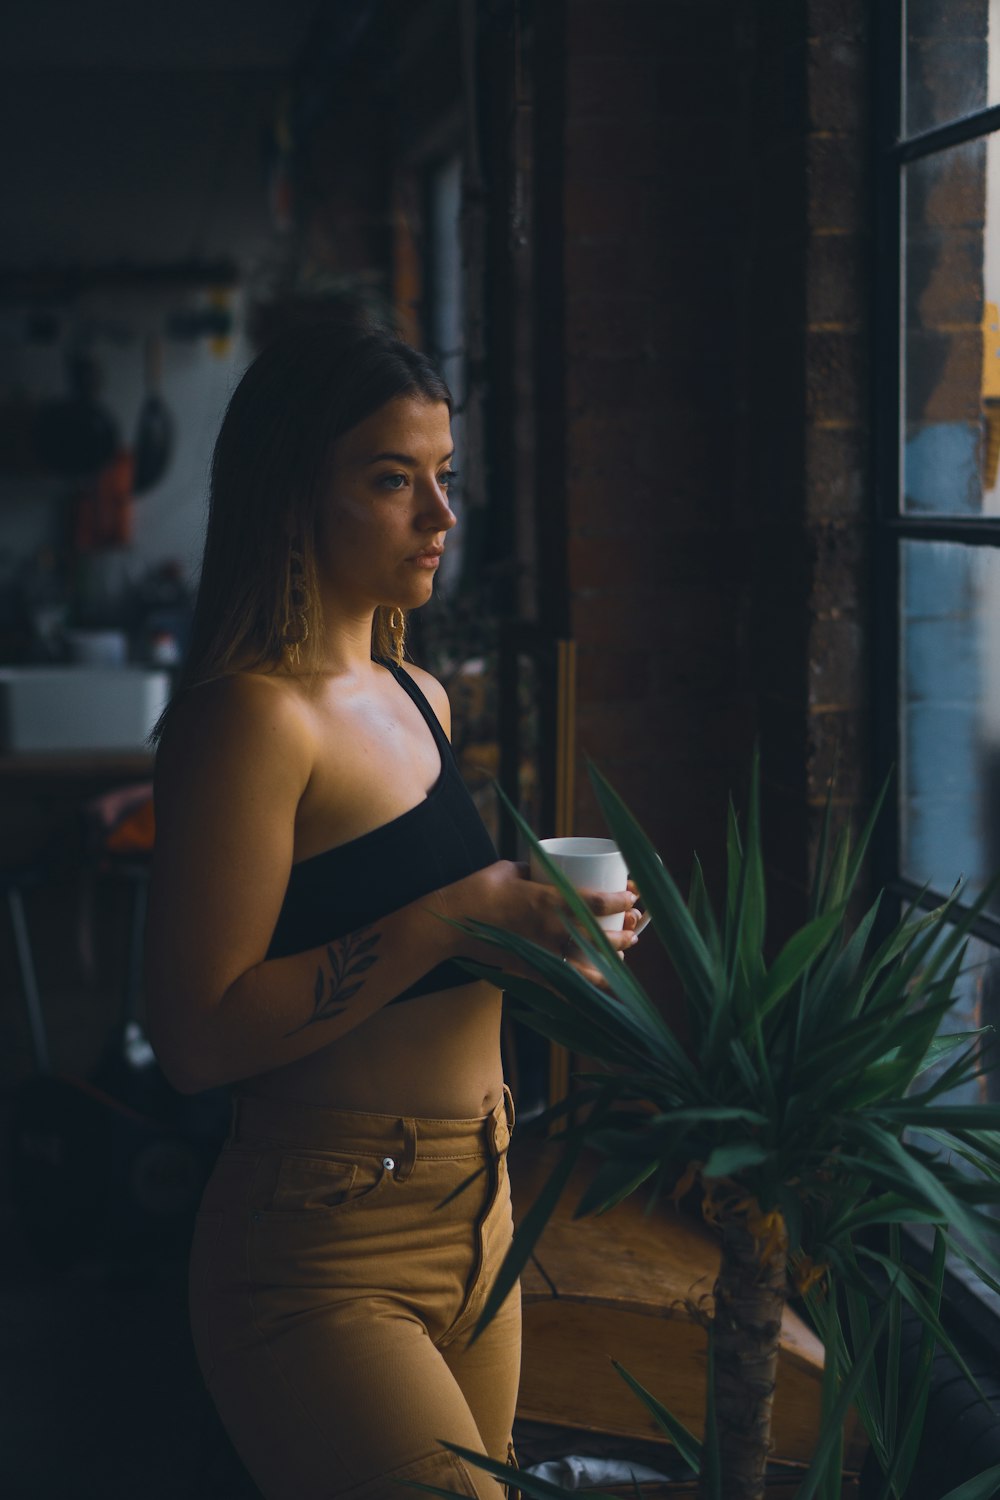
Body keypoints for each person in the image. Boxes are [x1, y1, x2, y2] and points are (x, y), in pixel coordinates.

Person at [144, 318, 641, 1500]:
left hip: (484, 1203)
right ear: (289, 496)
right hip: (322, 1240)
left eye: (443, 477)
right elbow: (195, 1038)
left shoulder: (417, 695)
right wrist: (453, 917)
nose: (440, 516)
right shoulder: (252, 719)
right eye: (391, 479)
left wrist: (542, 945)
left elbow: (408, 974)